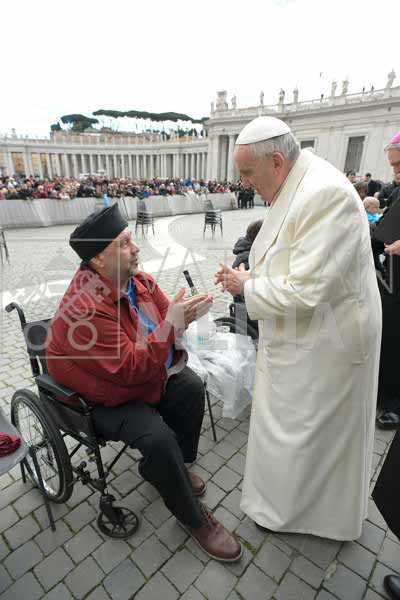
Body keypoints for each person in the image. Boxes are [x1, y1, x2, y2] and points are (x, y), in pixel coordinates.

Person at [214, 116, 382, 540]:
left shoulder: (324, 194)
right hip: (310, 332)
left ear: (276, 161)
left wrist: (247, 286)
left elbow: (308, 291)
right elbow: (292, 261)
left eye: (248, 173)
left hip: (329, 339)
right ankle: (284, 506)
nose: (245, 183)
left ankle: (314, 517)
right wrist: (252, 276)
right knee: (299, 428)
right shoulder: (297, 181)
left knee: (314, 432)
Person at [46, 204, 242, 563]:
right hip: (103, 398)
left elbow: (166, 321)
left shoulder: (139, 282)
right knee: (158, 438)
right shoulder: (83, 308)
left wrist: (185, 316)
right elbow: (129, 369)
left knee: (191, 388)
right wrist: (171, 325)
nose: (136, 248)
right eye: (124, 244)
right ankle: (195, 520)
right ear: (98, 260)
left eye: (131, 239)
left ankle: (170, 469)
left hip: (141, 378)